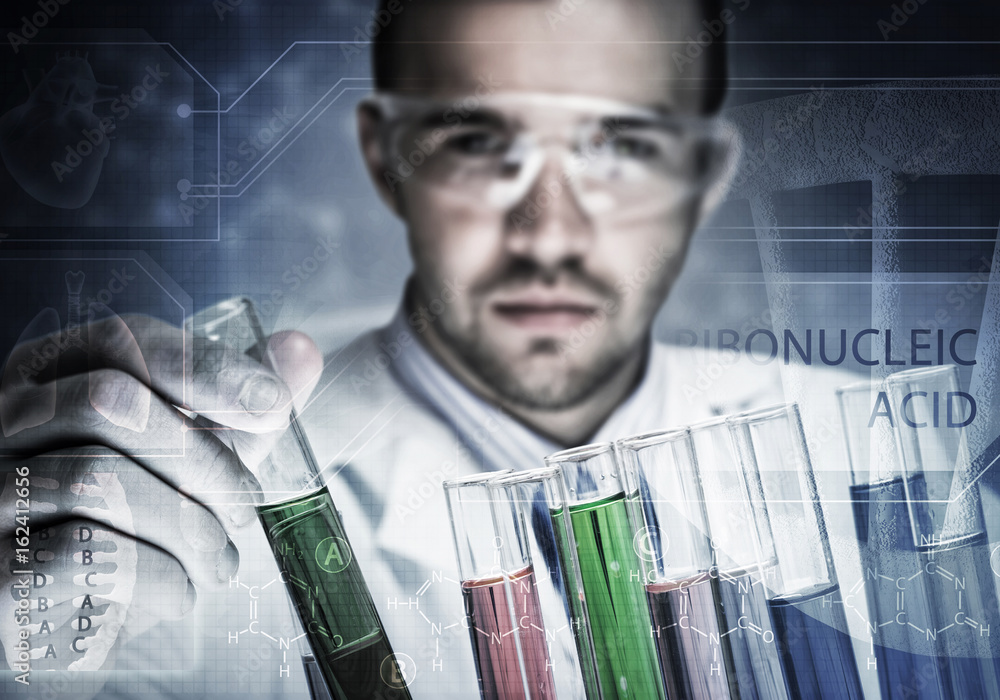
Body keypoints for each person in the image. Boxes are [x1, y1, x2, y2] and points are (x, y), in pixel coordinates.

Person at [0, 0, 855, 697]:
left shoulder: (881, 468)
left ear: (705, 172)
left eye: (620, 145)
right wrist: (23, 649)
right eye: (480, 143)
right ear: (386, 157)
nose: (547, 235)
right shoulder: (185, 530)